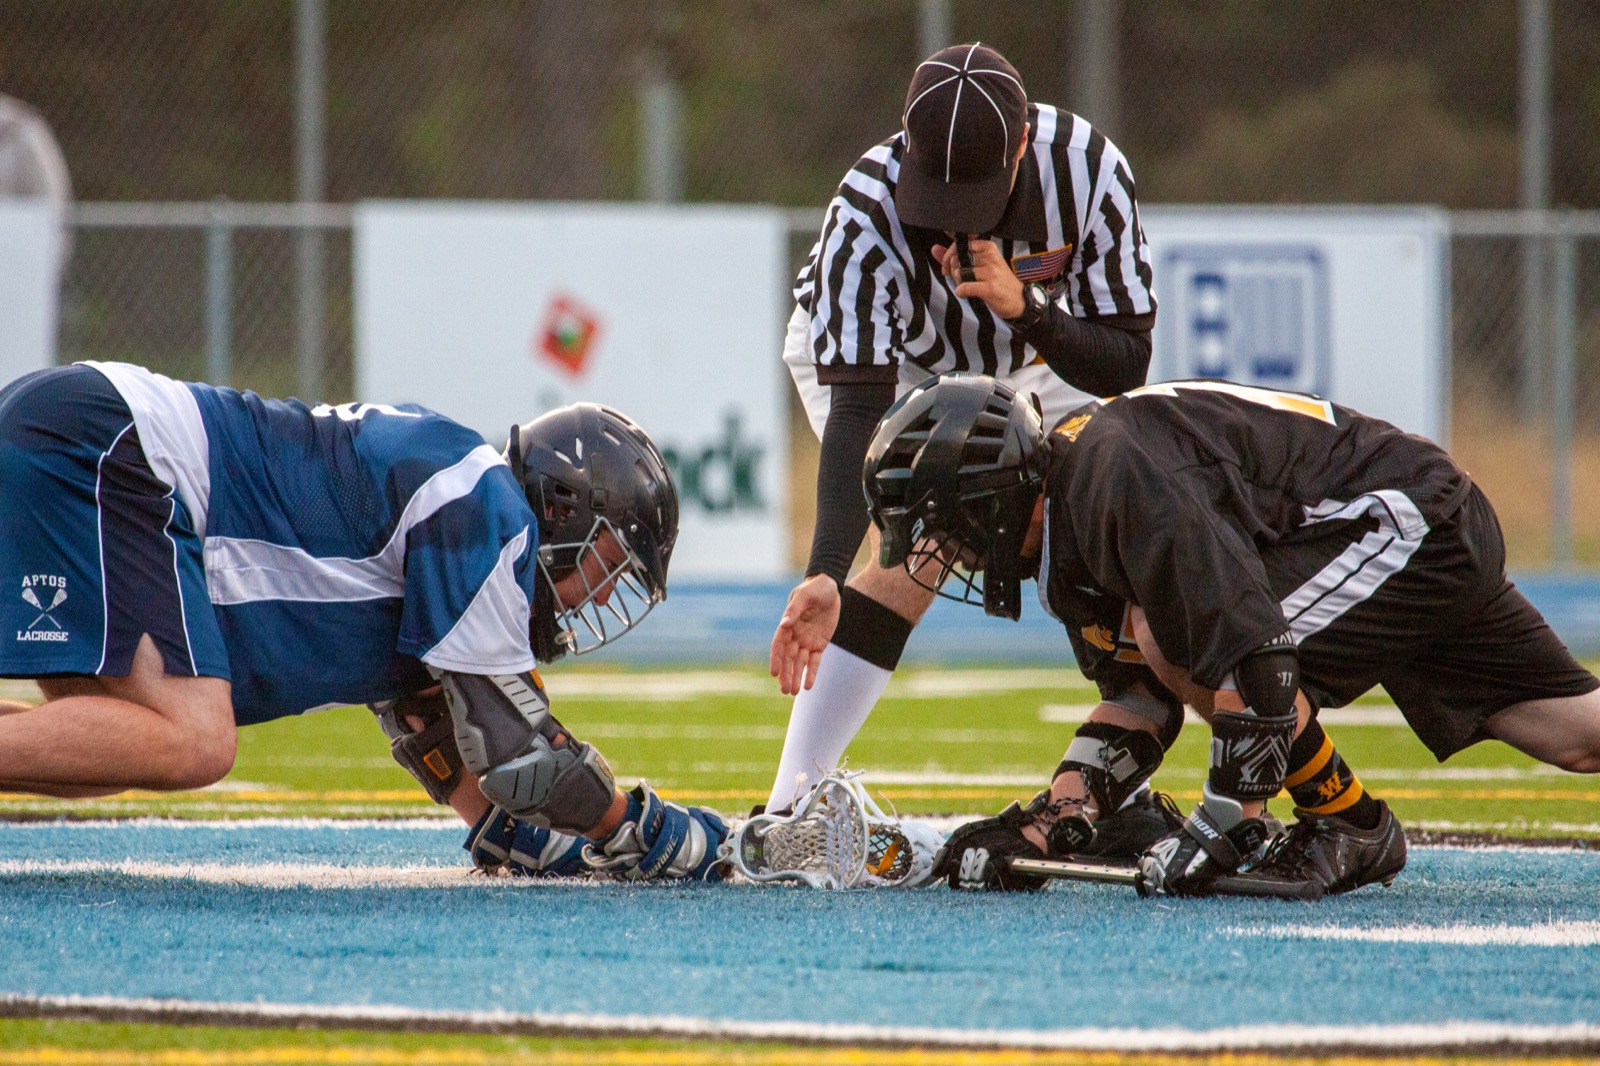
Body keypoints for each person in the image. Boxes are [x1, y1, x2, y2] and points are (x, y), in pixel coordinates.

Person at [864, 373, 1600, 897]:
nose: (940, 551)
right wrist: (1060, 812)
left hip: (1401, 519)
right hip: (1411, 524)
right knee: (1577, 736)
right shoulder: (1072, 508)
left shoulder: (1109, 476)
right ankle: (1336, 818)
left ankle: (1350, 821)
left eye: (937, 525)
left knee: (1182, 636)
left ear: (985, 495)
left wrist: (1230, 820)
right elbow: (1140, 700)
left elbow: (1251, 648)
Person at [0, 361, 728, 882]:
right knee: (194, 741)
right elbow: (518, 756)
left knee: (103, 751)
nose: (599, 597)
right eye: (607, 563)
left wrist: (531, 836)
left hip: (90, 432)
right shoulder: (485, 507)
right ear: (567, 508)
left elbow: (464, 756)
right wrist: (645, 828)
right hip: (114, 447)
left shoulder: (461, 505)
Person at [767, 42, 1157, 816]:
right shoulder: (865, 212)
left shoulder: (1088, 171)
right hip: (897, 365)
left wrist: (1029, 308)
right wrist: (824, 568)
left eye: (970, 199)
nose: (945, 229)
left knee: (1100, 513)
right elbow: (856, 415)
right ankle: (790, 804)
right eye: (931, 199)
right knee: (932, 524)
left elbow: (1126, 362)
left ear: (1021, 146)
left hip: (1033, 350)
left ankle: (1131, 724)